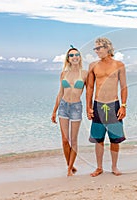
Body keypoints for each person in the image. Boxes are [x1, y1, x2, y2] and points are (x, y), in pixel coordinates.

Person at [86, 37, 128, 177]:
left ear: (107, 48)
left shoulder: (119, 65)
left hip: (113, 105)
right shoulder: (93, 65)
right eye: (95, 48)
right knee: (98, 139)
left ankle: (114, 166)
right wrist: (88, 106)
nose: (96, 51)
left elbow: (123, 87)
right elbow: (90, 87)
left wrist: (123, 106)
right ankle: (99, 167)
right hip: (98, 105)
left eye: (98, 48)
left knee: (115, 139)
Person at [51, 46, 87, 176]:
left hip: (76, 107)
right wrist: (54, 111)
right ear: (68, 59)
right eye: (71, 55)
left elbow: (90, 92)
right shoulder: (63, 74)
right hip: (63, 107)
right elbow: (60, 93)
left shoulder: (85, 73)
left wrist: (90, 108)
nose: (74, 57)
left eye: (76, 54)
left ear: (80, 57)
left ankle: (69, 169)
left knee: (74, 140)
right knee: (65, 140)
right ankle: (70, 165)